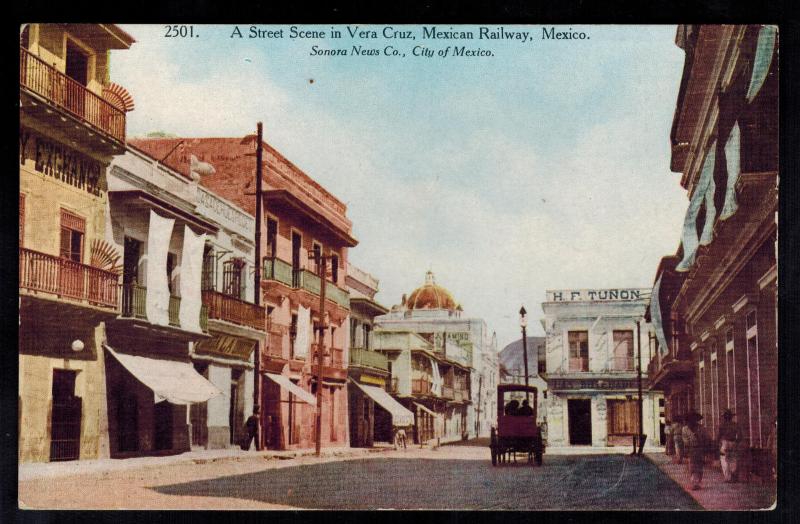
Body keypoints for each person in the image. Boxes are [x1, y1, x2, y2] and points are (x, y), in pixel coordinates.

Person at [682, 412, 710, 490]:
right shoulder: (685, 429)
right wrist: (686, 451)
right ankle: (694, 483)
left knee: (700, 466)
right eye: (690, 420)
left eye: (693, 420)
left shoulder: (701, 428)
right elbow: (685, 441)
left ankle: (697, 482)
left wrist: (705, 448)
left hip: (700, 449)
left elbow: (706, 438)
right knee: (692, 466)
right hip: (691, 449)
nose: (691, 422)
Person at [717, 408, 741, 482]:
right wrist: (736, 442)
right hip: (733, 442)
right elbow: (740, 435)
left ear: (724, 417)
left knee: (724, 460)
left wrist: (718, 444)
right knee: (733, 459)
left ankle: (728, 477)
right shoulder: (735, 425)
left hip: (724, 443)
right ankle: (733, 475)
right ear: (731, 417)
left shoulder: (722, 425)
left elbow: (719, 436)